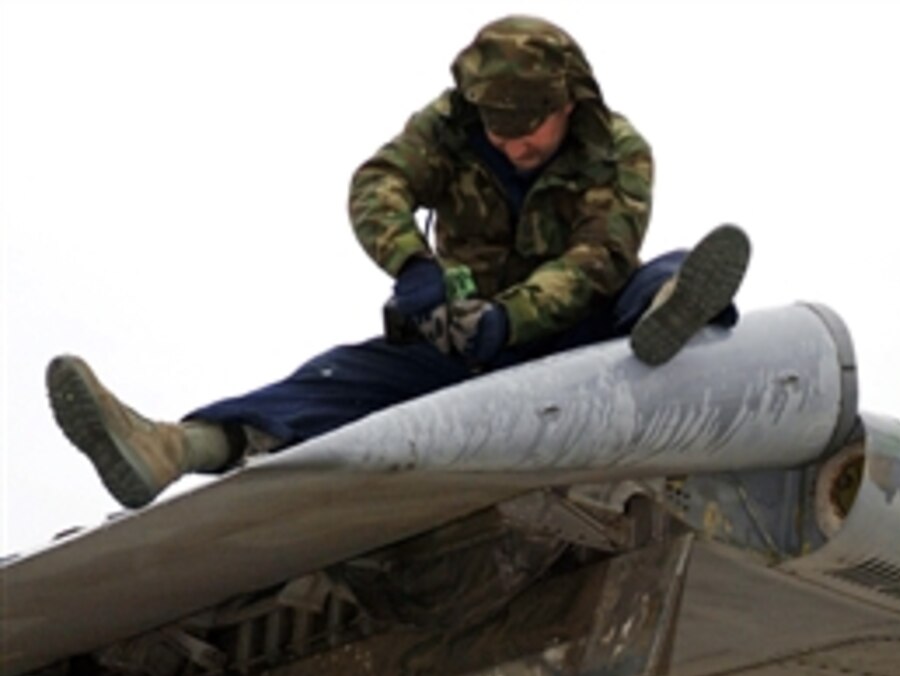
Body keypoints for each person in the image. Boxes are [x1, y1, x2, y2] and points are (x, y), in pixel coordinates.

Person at [46, 15, 750, 510]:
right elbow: (377, 184)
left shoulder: (618, 150)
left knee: (663, 271)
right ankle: (175, 447)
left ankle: (673, 322)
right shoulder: (447, 129)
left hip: (574, 336)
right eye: (497, 130)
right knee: (334, 378)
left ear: (568, 102)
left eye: (529, 127)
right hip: (461, 343)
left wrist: (510, 319)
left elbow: (599, 258)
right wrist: (414, 266)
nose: (512, 145)